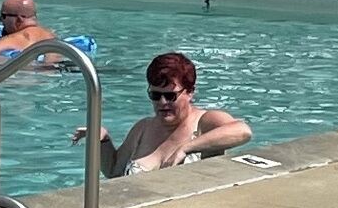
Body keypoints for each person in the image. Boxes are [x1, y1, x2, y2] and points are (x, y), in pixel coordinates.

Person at [94, 50, 251, 176]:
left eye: (170, 96)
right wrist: (103, 139)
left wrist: (187, 148)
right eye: (155, 95)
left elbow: (242, 131)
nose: (163, 102)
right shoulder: (143, 128)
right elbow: (114, 171)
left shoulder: (204, 122)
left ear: (190, 92)